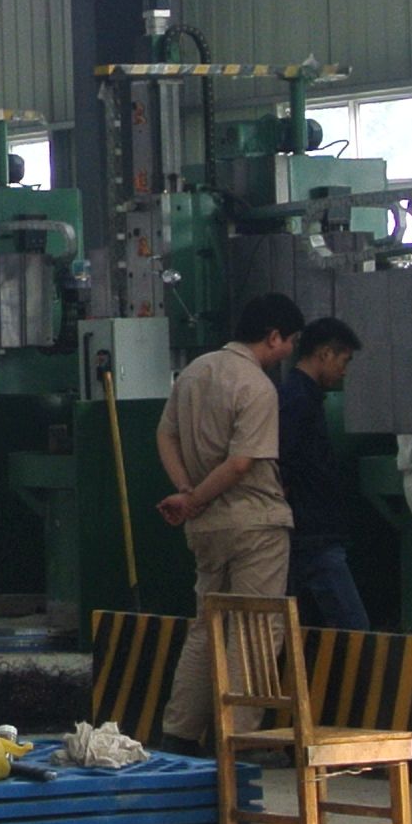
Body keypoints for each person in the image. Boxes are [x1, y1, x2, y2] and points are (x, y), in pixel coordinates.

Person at [154, 292, 304, 750]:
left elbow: (165, 434)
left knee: (207, 627)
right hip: (253, 523)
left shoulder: (194, 372)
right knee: (255, 628)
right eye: (290, 341)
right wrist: (194, 499)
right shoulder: (256, 386)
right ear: (273, 336)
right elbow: (241, 463)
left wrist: (185, 491)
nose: (290, 351)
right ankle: (238, 740)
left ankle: (180, 732)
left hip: (207, 529)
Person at [281, 316, 372, 635]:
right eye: (343, 361)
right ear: (325, 354)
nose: (344, 371)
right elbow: (284, 462)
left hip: (308, 530)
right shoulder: (298, 400)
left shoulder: (299, 396)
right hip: (313, 534)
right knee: (353, 627)